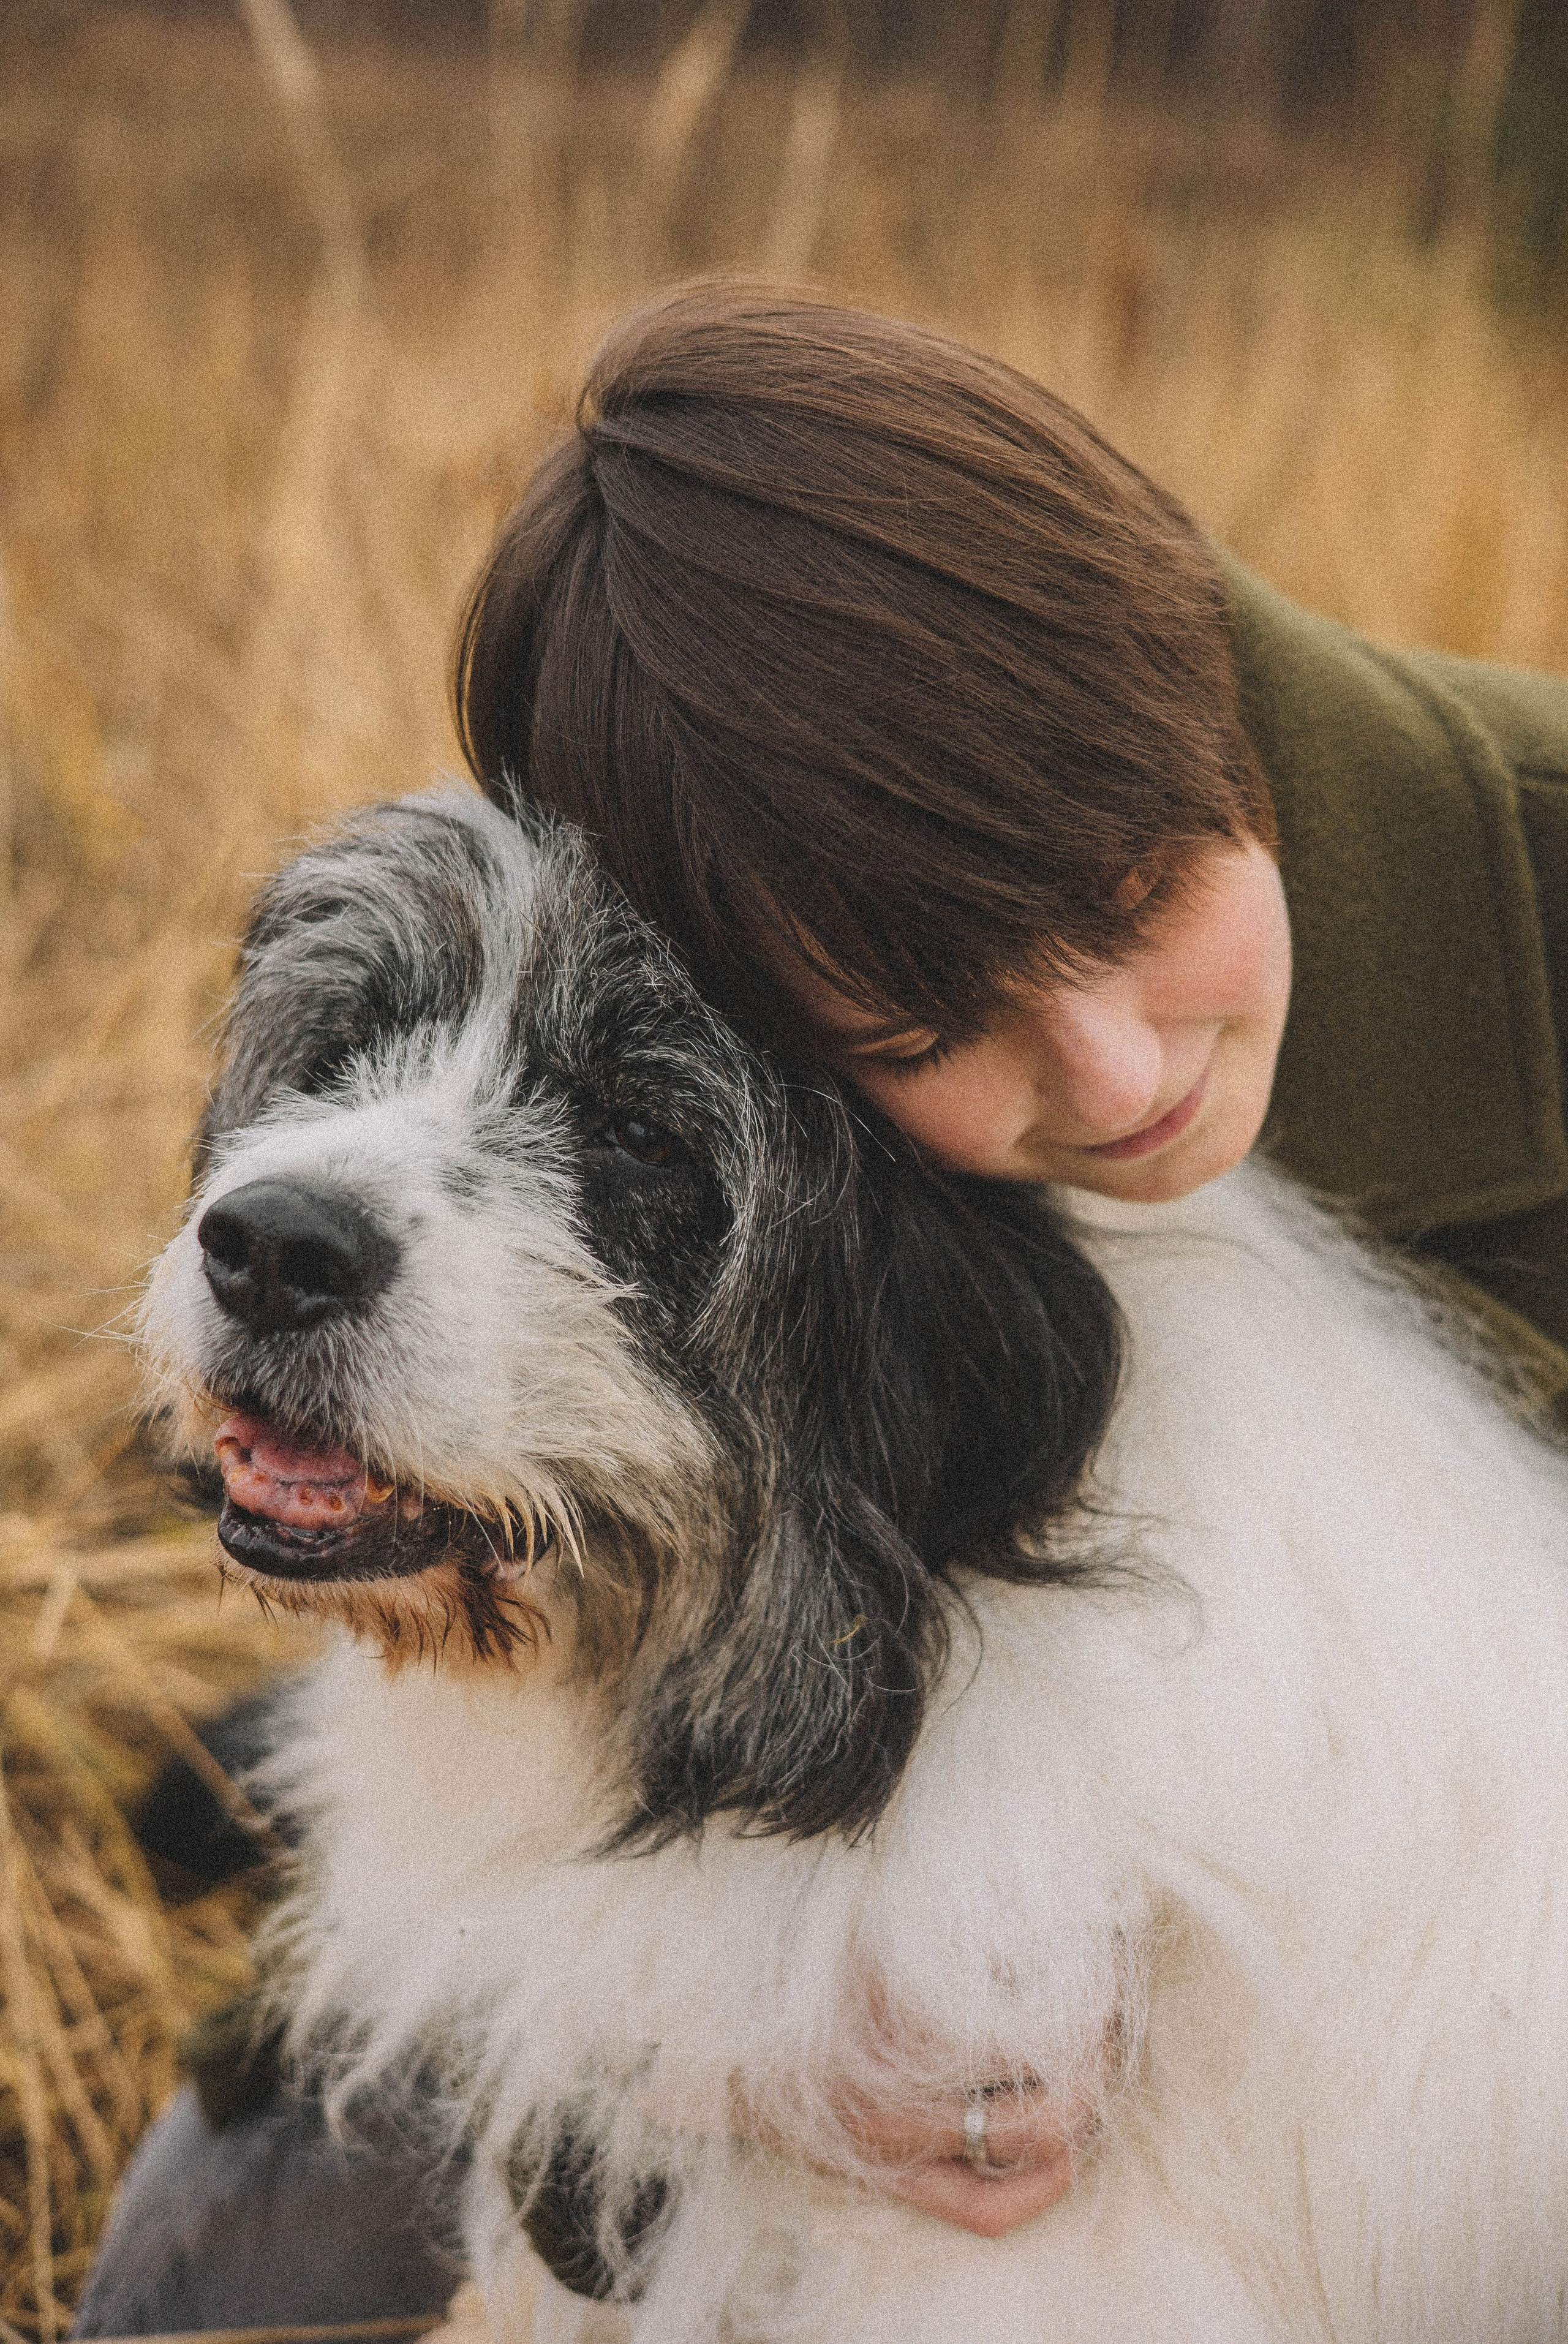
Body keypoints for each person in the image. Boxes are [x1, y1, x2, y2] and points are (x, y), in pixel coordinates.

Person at [75, 283, 1568, 2329]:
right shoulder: (809, 1057)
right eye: (930, 1008)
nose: (1125, 1079)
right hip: (657, 1831)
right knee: (185, 2275)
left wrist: (1054, 1973)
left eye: (1139, 891)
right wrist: (716, 2067)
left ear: (1190, 696)